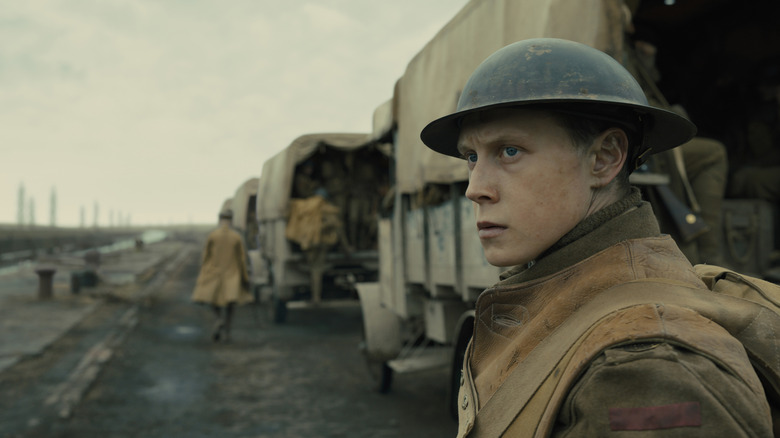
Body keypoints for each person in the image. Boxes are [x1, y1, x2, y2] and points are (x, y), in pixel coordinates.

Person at [420, 38, 777, 437]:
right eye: (471, 157)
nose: (475, 188)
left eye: (509, 151)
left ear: (604, 158)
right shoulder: (564, 296)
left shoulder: (645, 367)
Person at [191, 209, 252, 342]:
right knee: (231, 305)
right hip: (232, 274)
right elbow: (242, 259)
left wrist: (203, 274)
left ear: (219, 219)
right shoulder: (236, 237)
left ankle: (219, 319)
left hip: (214, 273)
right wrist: (245, 277)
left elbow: (205, 257)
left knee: (213, 301)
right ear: (232, 219)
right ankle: (228, 333)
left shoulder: (213, 235)